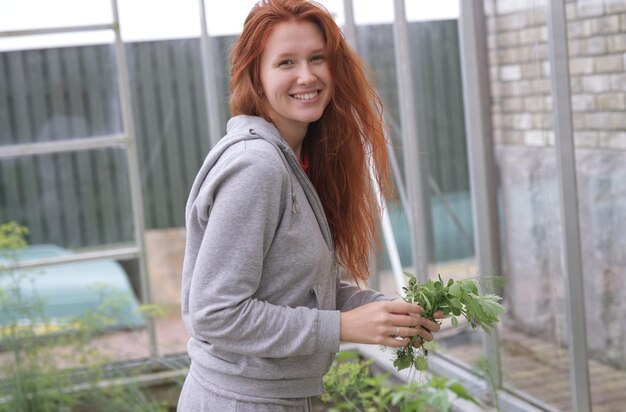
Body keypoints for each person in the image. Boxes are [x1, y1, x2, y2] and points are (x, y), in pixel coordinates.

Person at [178, 0, 441, 410]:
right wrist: (340, 326)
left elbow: (297, 291)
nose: (307, 75)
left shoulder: (296, 161)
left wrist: (381, 311)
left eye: (317, 58)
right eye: (286, 62)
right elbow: (215, 313)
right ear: (257, 78)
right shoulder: (257, 167)